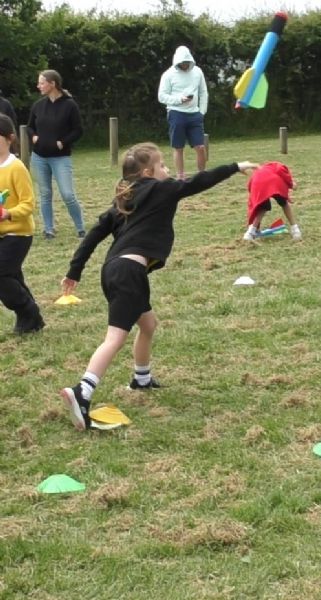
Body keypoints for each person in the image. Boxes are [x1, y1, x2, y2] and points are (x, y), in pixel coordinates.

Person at [59, 141, 257, 431]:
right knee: (115, 338)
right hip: (129, 272)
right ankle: (82, 392)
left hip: (115, 270)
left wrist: (74, 271)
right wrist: (234, 167)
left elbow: (93, 235)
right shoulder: (161, 189)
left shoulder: (123, 201)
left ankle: (141, 379)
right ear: (148, 172)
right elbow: (198, 182)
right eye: (162, 165)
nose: (167, 169)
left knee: (148, 324)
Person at [27, 69, 85, 240]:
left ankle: (80, 228)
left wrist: (63, 142)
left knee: (68, 194)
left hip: (60, 158)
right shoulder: (38, 105)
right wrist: (34, 137)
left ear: (52, 84)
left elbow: (78, 130)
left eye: (42, 83)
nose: (38, 86)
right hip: (39, 157)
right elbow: (30, 127)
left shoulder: (69, 105)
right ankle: (49, 229)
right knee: (45, 194)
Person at [0, 114, 45, 334]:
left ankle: (27, 310)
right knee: (13, 277)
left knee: (2, 275)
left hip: (18, 234)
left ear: (10, 139)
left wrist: (8, 213)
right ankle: (32, 319)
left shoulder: (16, 167)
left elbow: (28, 204)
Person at [158, 46, 209, 179]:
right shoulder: (168, 74)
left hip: (195, 114)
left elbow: (203, 92)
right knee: (178, 147)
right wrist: (179, 99)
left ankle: (202, 175)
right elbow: (161, 96)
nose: (185, 65)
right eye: (182, 63)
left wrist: (202, 112)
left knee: (200, 147)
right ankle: (181, 176)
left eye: (187, 62)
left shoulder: (197, 71)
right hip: (176, 113)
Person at [243, 161, 302, 241]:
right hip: (274, 181)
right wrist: (291, 183)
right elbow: (281, 170)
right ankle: (295, 230)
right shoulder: (276, 165)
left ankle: (250, 233)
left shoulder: (259, 171)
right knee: (284, 203)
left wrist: (256, 227)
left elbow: (250, 187)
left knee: (262, 207)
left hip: (257, 185)